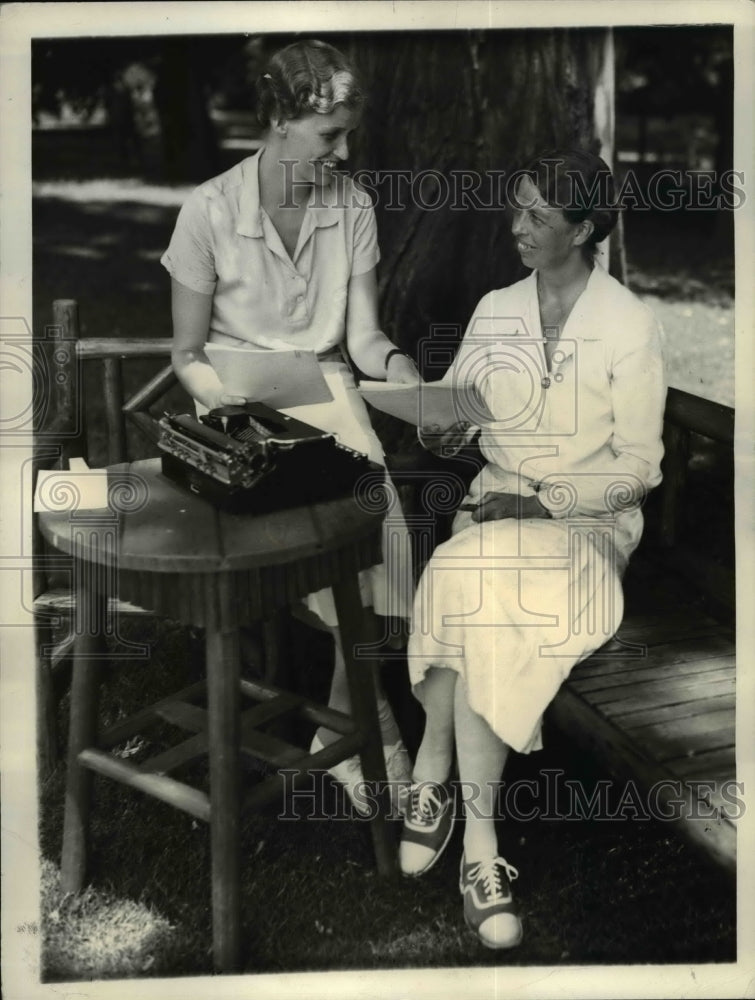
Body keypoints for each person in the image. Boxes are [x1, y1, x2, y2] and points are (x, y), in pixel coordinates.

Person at [401, 149, 666, 948]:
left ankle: (438, 787)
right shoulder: (495, 308)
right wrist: (442, 424)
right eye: (515, 208)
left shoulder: (628, 324)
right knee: (469, 567)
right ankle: (474, 838)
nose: (515, 226)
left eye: (537, 216)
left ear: (583, 229)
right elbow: (465, 408)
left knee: (472, 579)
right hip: (491, 514)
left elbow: (640, 466)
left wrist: (546, 498)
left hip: (584, 533)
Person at [160, 39, 418, 813]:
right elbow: (187, 354)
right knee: (306, 527)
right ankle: (363, 726)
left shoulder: (354, 206)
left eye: (346, 135)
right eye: (328, 135)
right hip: (237, 404)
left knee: (384, 528)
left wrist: (398, 366)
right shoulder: (208, 209)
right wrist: (230, 407)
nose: (342, 153)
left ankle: (346, 718)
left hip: (328, 393)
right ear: (275, 117)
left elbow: (363, 337)